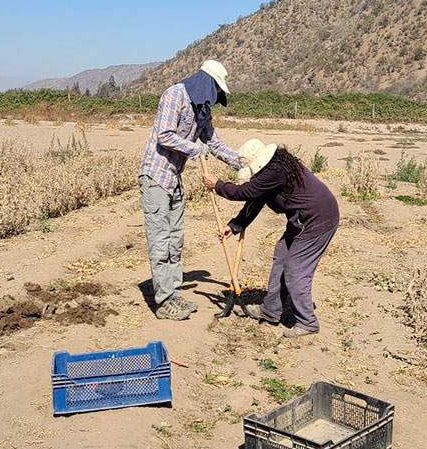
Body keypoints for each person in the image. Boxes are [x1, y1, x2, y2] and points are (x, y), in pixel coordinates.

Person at [203, 139, 339, 337]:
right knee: (282, 254)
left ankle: (308, 321)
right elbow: (255, 200)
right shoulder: (272, 170)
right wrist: (234, 226)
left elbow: (245, 192)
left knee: (295, 268)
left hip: (317, 219)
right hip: (302, 219)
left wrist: (218, 185)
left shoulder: (274, 170)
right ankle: (271, 310)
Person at [138, 60, 241, 320]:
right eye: (218, 90)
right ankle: (163, 302)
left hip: (174, 178)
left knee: (175, 240)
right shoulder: (176, 95)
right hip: (156, 176)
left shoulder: (202, 110)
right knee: (161, 242)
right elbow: (165, 135)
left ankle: (173, 294)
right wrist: (196, 149)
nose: (219, 97)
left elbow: (214, 144)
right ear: (208, 84)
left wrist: (243, 161)